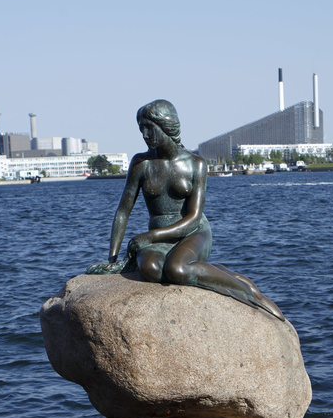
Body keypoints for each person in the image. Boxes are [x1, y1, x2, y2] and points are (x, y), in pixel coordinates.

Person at [87, 99, 284, 320]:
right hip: (159, 238)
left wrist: (150, 236)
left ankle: (250, 293)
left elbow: (194, 217)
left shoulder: (195, 164)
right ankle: (210, 269)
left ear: (167, 127)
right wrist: (112, 258)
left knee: (177, 269)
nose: (144, 134)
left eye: (149, 128)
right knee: (150, 269)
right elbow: (123, 211)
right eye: (141, 128)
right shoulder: (141, 163)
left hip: (193, 232)